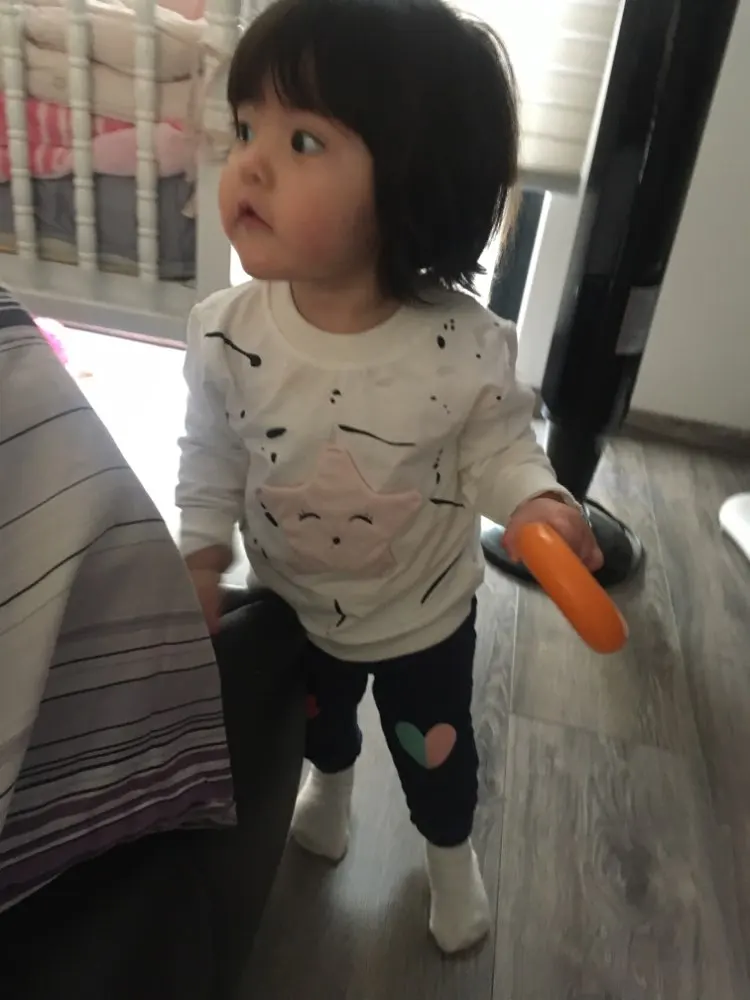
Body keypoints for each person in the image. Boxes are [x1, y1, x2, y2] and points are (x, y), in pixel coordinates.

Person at [176, 0, 603, 954]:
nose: (249, 164)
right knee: (315, 725)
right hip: (292, 600)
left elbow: (497, 448)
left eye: (302, 141)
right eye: (244, 128)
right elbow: (211, 451)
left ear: (412, 181)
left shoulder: (462, 346)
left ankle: (449, 857)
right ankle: (328, 792)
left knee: (434, 750)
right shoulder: (225, 334)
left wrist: (536, 500)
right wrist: (200, 553)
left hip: (422, 615)